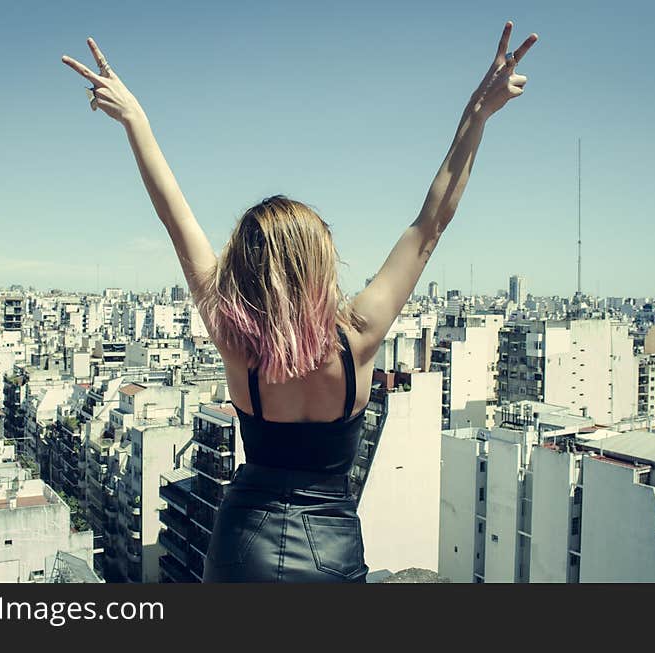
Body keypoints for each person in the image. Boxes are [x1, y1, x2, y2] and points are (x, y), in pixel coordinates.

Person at [62, 21, 538, 582]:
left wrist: (134, 120)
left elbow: (176, 218)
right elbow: (430, 223)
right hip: (331, 551)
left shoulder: (238, 344)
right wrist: (476, 116)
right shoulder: (358, 337)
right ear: (319, 259)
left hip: (242, 545)